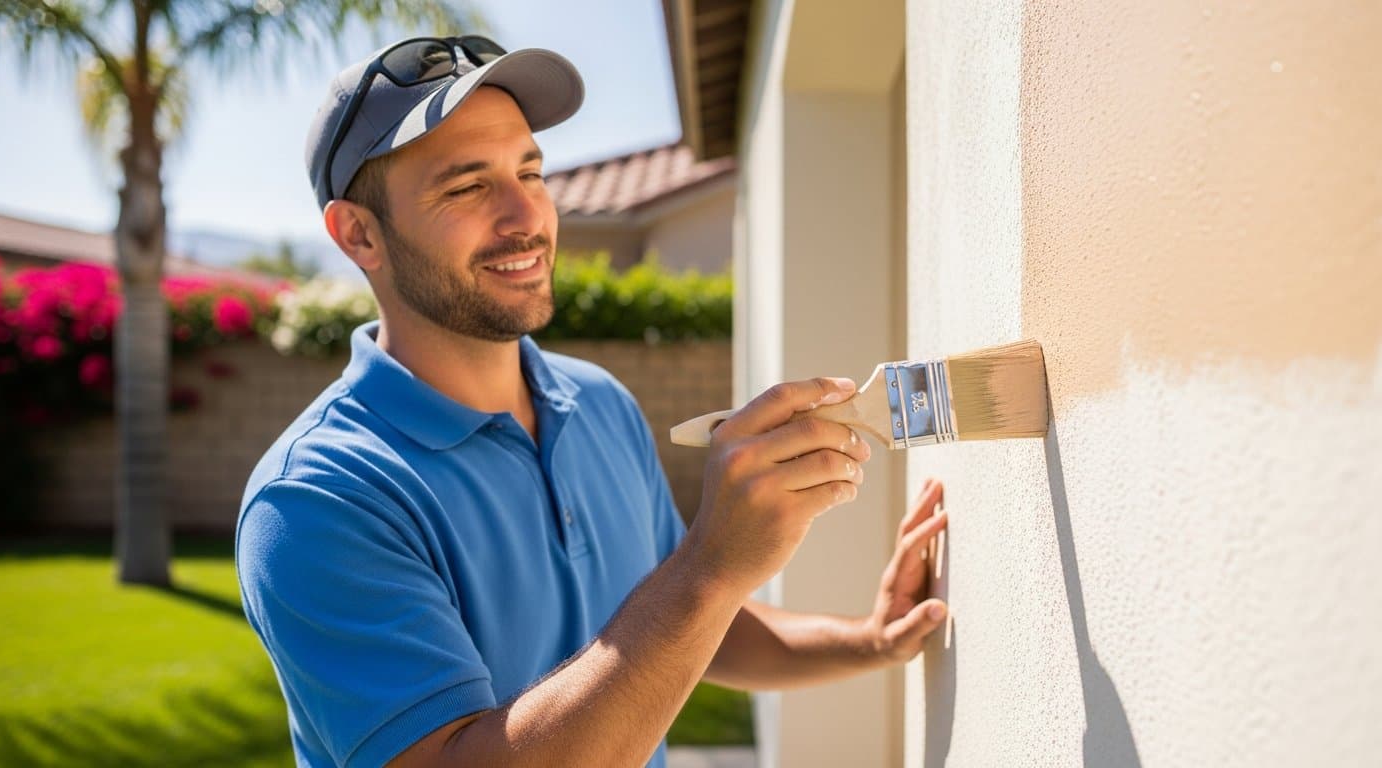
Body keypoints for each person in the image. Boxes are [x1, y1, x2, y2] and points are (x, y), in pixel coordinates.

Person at [236, 34, 950, 768]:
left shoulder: (598, 404)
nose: (529, 217)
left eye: (532, 172)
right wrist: (709, 566)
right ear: (359, 234)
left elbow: (701, 627)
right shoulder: (316, 499)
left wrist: (870, 638)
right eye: (467, 186)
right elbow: (687, 601)